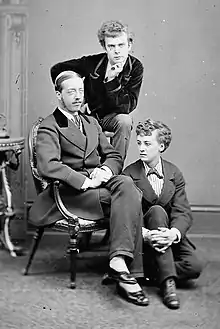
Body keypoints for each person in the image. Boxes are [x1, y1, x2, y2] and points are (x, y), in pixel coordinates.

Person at [29, 71, 149, 306]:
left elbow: (113, 155)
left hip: (99, 183)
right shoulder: (49, 126)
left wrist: (105, 171)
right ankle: (128, 274)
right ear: (58, 94)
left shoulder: (90, 122)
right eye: (71, 91)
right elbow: (48, 165)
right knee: (132, 196)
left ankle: (118, 263)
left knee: (127, 184)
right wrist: (85, 181)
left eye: (80, 91)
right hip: (72, 191)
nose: (77, 96)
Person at [123, 119, 203, 310]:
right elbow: (125, 217)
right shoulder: (128, 174)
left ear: (161, 146)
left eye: (147, 143)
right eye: (139, 143)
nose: (141, 148)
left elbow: (182, 211)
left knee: (194, 267)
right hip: (142, 240)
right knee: (157, 211)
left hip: (166, 236)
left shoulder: (174, 173)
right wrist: (147, 235)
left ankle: (142, 273)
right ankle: (168, 285)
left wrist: (172, 234)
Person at [50, 20, 144, 162]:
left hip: (112, 118)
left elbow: (127, 106)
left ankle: (114, 168)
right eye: (111, 46)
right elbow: (57, 69)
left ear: (129, 45)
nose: (117, 51)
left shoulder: (135, 67)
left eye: (121, 45)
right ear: (104, 47)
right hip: (88, 116)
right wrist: (76, 93)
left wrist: (112, 81)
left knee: (125, 121)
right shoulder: (93, 62)